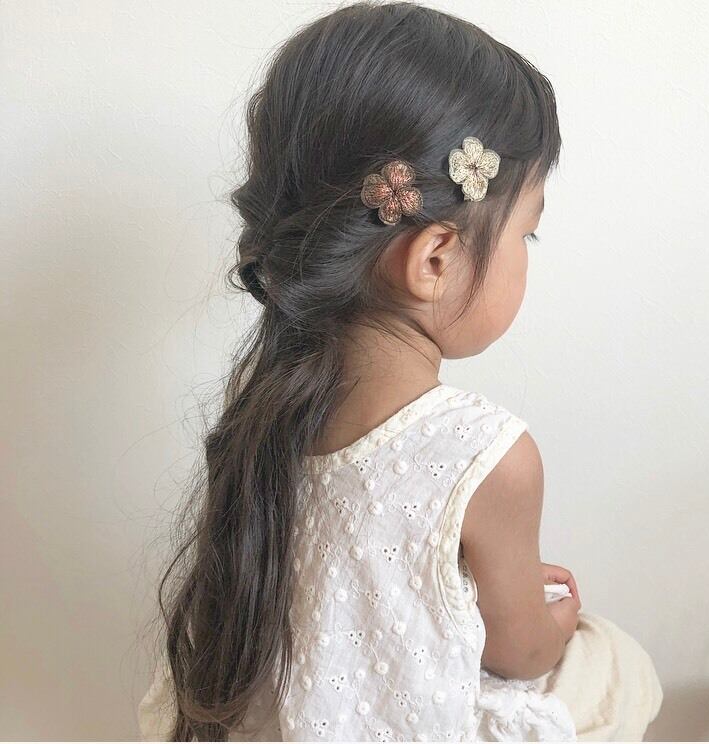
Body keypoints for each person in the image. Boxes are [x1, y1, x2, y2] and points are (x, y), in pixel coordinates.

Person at [137, 1, 663, 740]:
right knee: (618, 666)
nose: (526, 254)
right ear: (435, 259)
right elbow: (520, 653)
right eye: (527, 234)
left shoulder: (266, 407)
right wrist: (556, 620)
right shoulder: (487, 455)